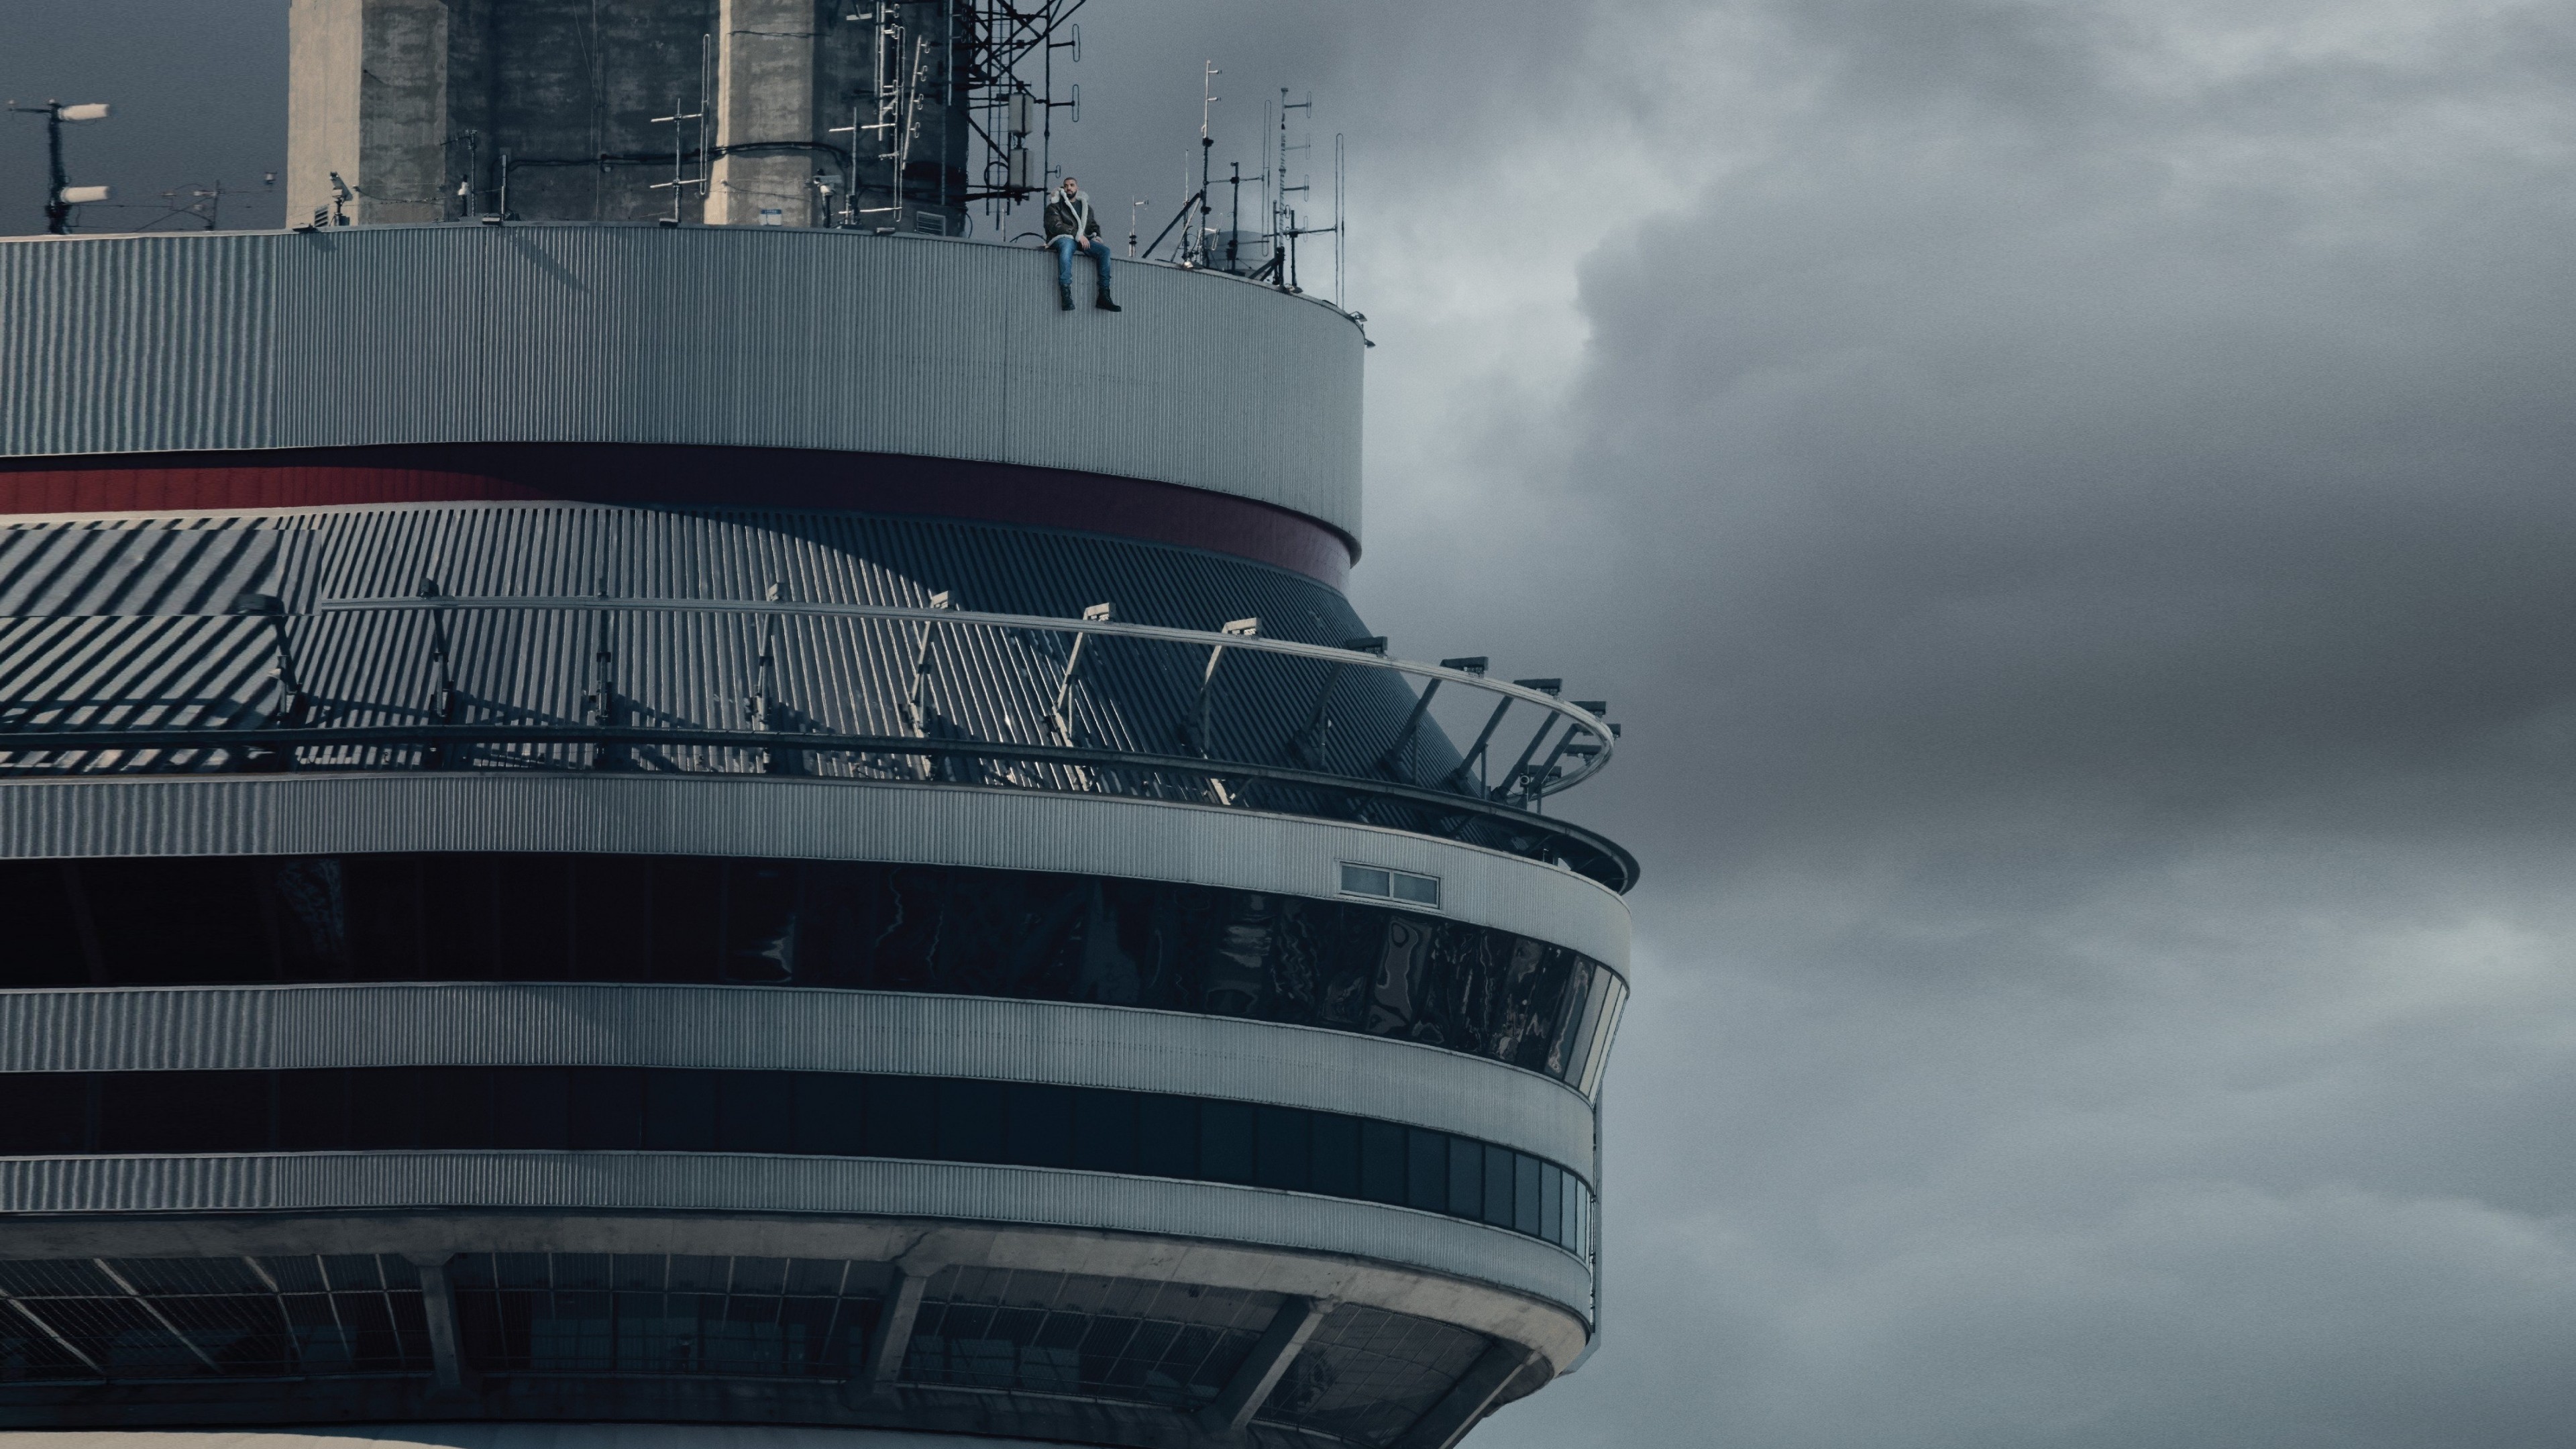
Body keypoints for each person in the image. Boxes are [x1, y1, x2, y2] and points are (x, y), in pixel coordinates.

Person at [1044, 176, 1120, 312]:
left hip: (1081, 240)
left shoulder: (1086, 208)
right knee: (1067, 247)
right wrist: (1077, 235)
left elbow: (1093, 226)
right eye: (1066, 185)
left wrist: (1096, 237)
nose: (1069, 188)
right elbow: (1055, 226)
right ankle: (1066, 294)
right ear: (1063, 188)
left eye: (1072, 185)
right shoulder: (1054, 207)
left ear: (1077, 188)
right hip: (1063, 238)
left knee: (1105, 251)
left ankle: (1104, 295)